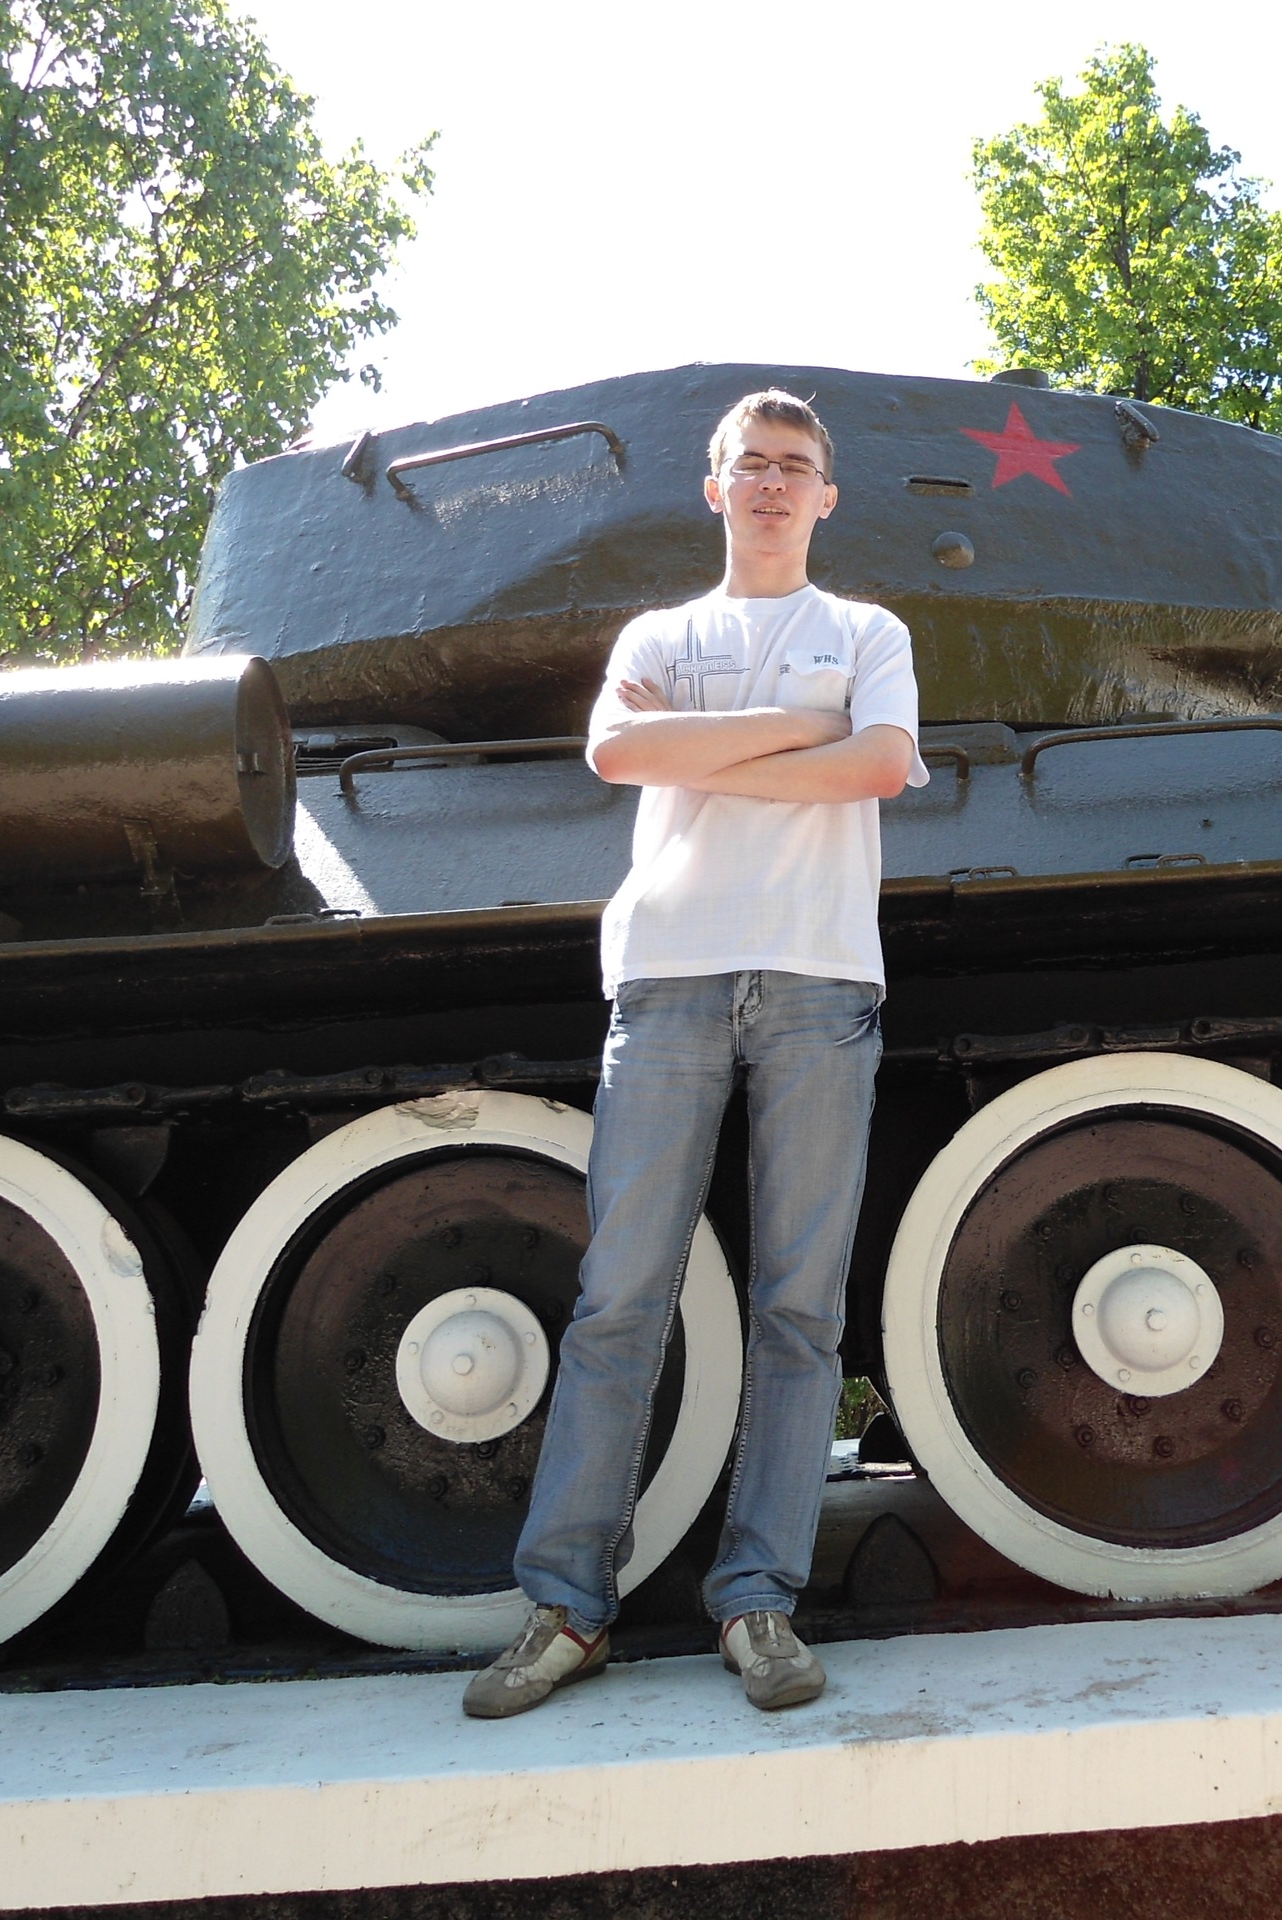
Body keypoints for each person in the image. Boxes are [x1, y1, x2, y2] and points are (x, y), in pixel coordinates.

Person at [463, 389, 923, 1719]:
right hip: (668, 973)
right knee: (620, 1297)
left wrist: (705, 755)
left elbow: (880, 766)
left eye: (796, 465)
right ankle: (567, 1606)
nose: (774, 483)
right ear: (716, 488)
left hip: (818, 974)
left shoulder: (868, 630)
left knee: (798, 1309)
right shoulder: (658, 634)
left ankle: (758, 1598)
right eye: (752, 464)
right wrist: (802, 729)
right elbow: (616, 749)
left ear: (825, 495)